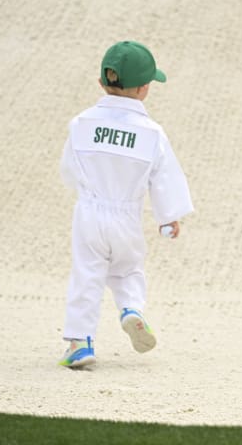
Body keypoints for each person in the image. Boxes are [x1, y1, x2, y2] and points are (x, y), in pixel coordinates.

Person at [57, 41, 194, 369]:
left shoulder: (81, 123)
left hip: (90, 211)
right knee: (128, 269)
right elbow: (164, 178)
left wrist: (87, 188)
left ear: (102, 82)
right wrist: (167, 218)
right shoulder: (152, 133)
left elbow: (69, 168)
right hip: (126, 216)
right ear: (145, 89)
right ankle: (131, 309)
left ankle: (80, 343)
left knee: (87, 274)